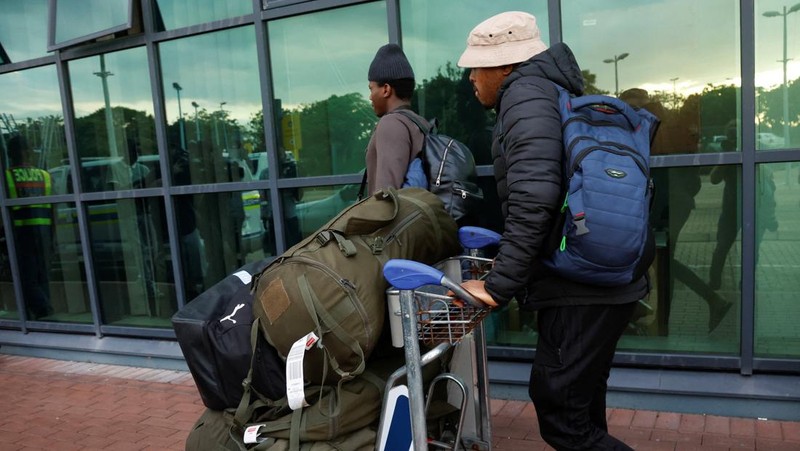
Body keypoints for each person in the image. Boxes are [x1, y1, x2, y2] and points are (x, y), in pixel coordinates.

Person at [456, 12, 645, 450]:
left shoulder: (524, 97)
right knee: (582, 408)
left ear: (504, 65)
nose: (470, 78)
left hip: (579, 286)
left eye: (475, 66)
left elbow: (535, 196)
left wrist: (497, 286)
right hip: (600, 277)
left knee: (562, 415)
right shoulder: (551, 91)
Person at [363, 43, 427, 195]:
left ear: (386, 89)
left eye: (371, 89)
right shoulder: (420, 123)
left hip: (395, 218)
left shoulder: (390, 124)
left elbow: (386, 196)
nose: (370, 96)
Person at [5, 135, 54, 320]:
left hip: (21, 233)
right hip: (44, 233)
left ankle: (44, 312)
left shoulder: (7, 176)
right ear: (28, 152)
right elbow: (53, 209)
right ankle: (43, 316)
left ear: (11, 153)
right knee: (42, 278)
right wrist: (53, 237)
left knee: (27, 279)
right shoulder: (44, 175)